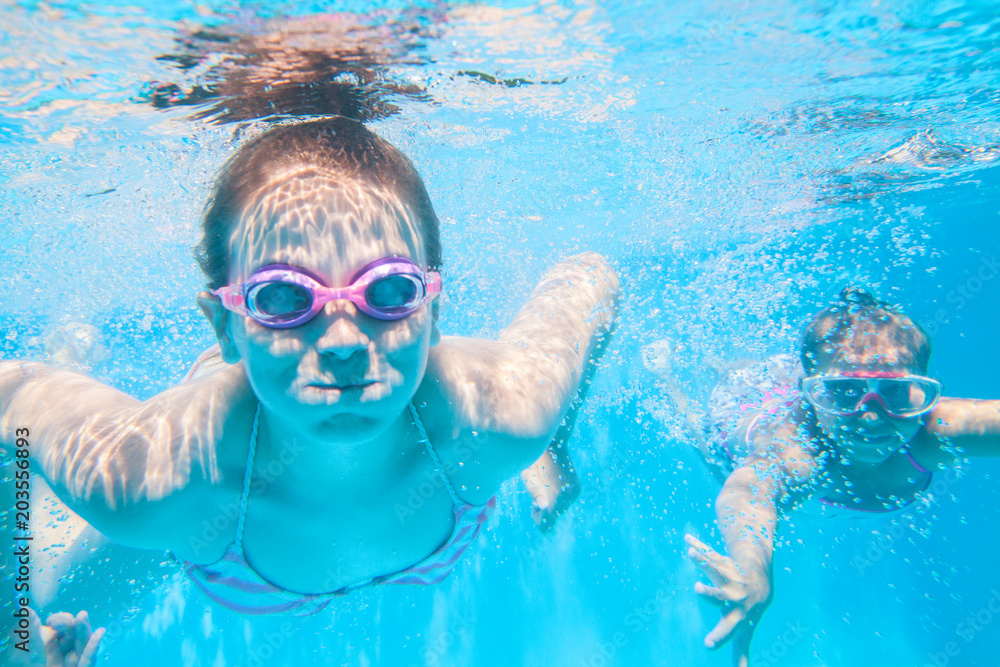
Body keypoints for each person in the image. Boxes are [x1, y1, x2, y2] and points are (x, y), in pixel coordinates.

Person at [0, 116, 619, 616]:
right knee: (40, 609)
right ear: (225, 327)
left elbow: (591, 277)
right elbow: (13, 396)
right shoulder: (153, 482)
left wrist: (555, 441)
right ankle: (71, 358)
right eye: (284, 297)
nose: (345, 340)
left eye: (387, 291)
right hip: (219, 532)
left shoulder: (508, 414)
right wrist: (13, 635)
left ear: (433, 309)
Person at [650, 287, 999, 666]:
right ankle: (665, 376)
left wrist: (843, 390)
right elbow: (747, 493)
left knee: (766, 374)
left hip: (794, 387)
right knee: (698, 436)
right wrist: (753, 571)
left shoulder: (937, 429)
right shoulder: (798, 452)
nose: (870, 415)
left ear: (924, 391)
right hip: (736, 418)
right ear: (813, 396)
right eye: (845, 392)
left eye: (895, 391)